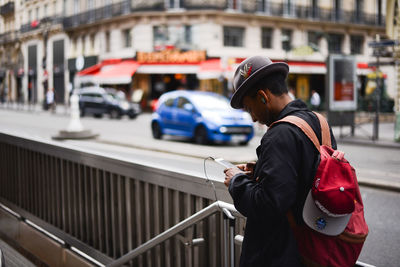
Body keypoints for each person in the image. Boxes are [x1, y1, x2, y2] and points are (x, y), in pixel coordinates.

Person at [223, 56, 337, 267]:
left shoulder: (279, 135)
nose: (253, 118)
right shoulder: (318, 122)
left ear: (263, 96)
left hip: (281, 254)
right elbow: (305, 176)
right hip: (317, 246)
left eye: (250, 109)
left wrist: (237, 181)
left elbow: (268, 205)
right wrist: (259, 171)